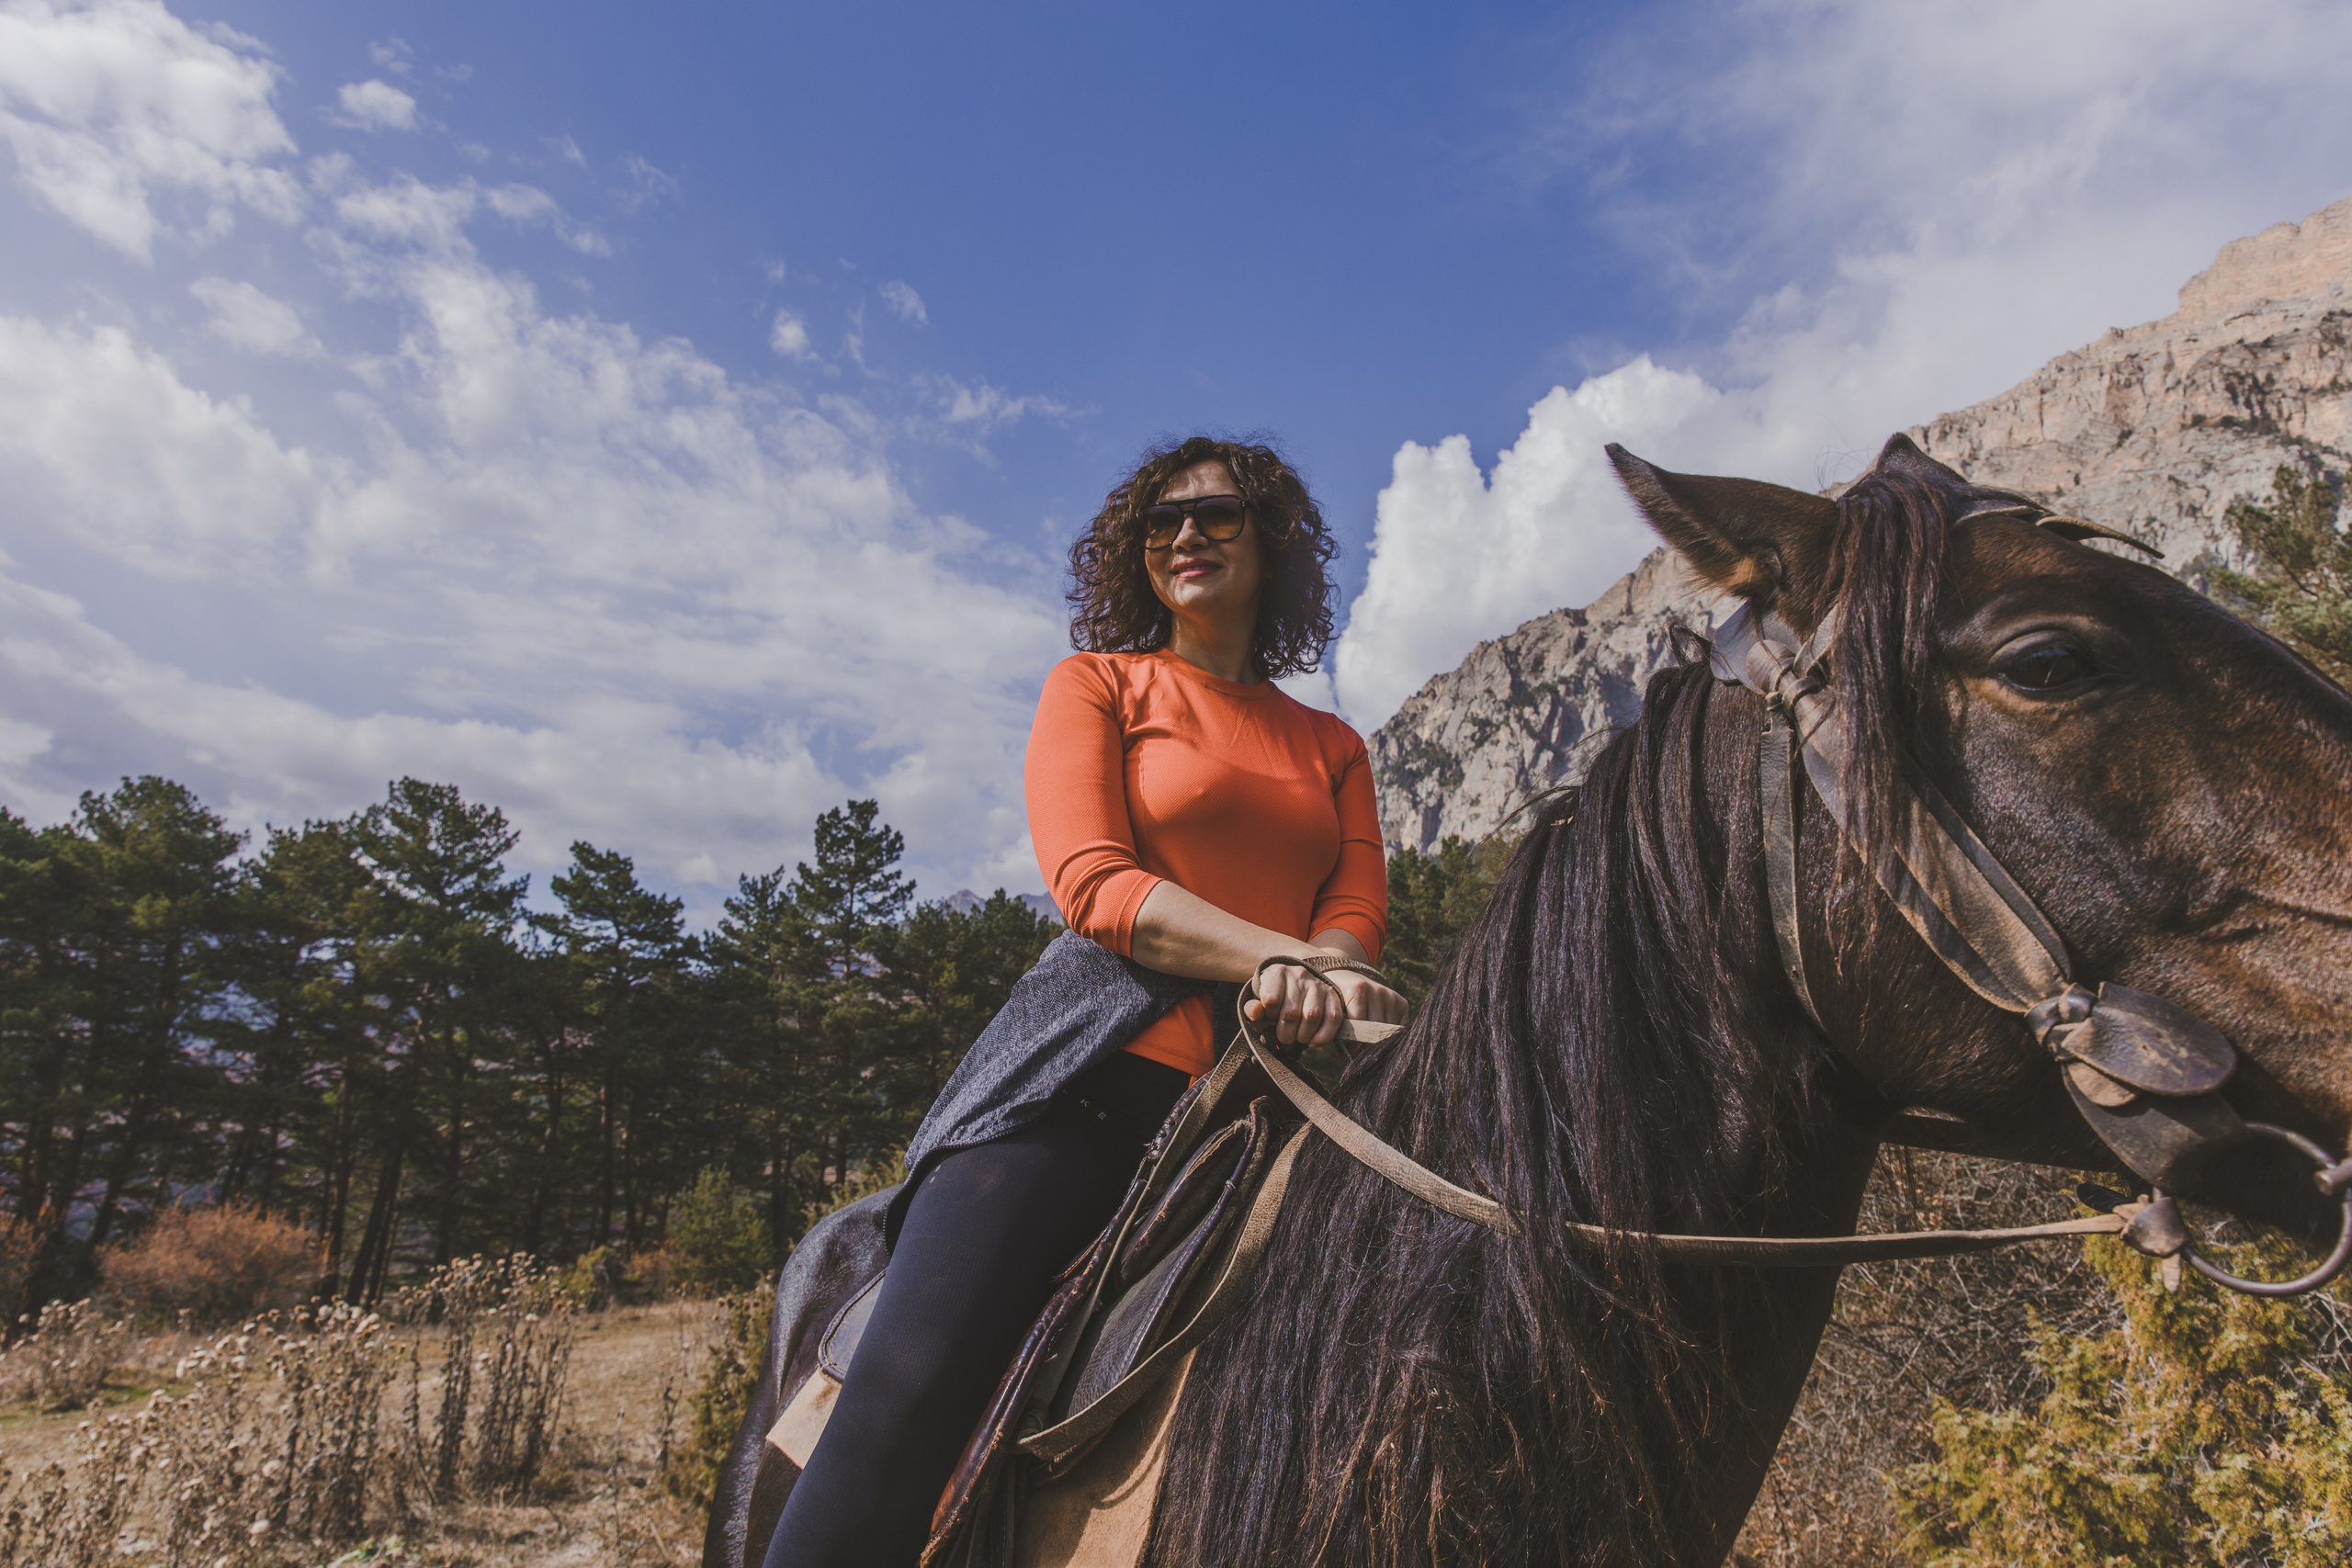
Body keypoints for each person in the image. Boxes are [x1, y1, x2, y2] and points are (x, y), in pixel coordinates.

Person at [763, 434, 1406, 1567]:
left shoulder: (1333, 743)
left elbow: (1353, 912)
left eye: (1215, 513)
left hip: (1273, 1106)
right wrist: (1273, 960)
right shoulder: (1099, 685)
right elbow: (1096, 886)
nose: (1187, 535)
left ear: (1272, 540)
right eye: (1160, 524)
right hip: (1082, 1087)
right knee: (904, 1393)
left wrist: (1327, 969)